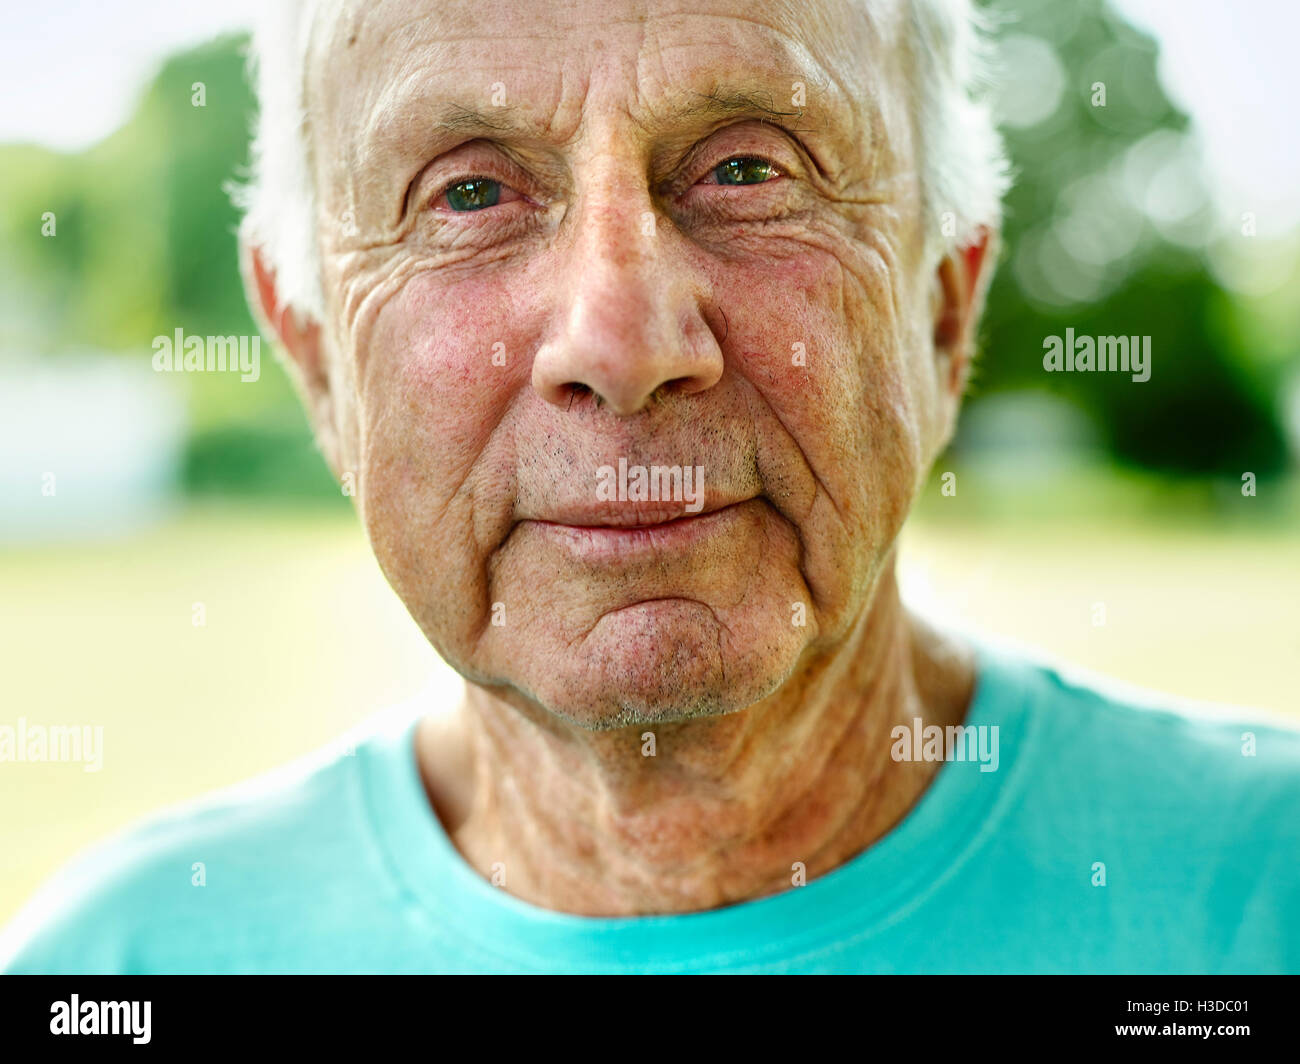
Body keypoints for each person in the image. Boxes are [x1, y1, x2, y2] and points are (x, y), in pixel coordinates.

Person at [4, 0, 1297, 974]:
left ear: (944, 314)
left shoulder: (1261, 898)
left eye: (747, 168)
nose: (619, 343)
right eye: (467, 193)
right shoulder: (119, 970)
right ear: (318, 361)